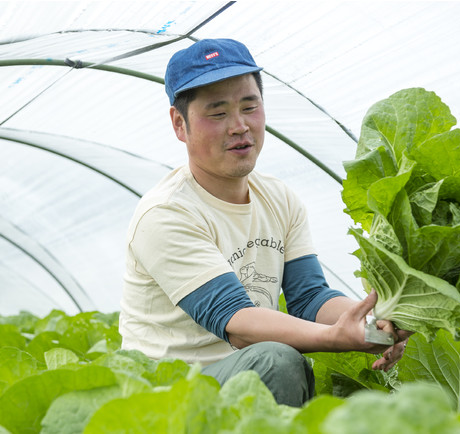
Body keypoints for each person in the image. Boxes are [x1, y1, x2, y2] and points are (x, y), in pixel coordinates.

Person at [119, 38, 410, 407]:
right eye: (218, 113)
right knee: (279, 359)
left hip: (248, 380)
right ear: (180, 124)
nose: (239, 126)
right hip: (169, 397)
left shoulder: (279, 198)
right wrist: (337, 337)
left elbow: (309, 297)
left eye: (249, 106)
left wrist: (375, 320)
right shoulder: (165, 213)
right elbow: (235, 321)